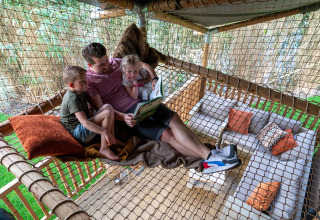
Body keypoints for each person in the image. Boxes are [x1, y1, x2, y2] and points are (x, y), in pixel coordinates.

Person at [82, 42, 241, 174]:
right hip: (128, 117)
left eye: (106, 60)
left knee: (175, 118)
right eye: (101, 64)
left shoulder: (115, 62)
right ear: (90, 65)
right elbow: (103, 110)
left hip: (144, 103)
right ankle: (211, 159)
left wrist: (154, 78)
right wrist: (124, 117)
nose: (107, 66)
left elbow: (143, 64)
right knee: (167, 134)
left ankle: (211, 157)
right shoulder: (89, 82)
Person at [60, 65, 120, 161]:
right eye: (82, 81)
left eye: (85, 79)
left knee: (108, 107)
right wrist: (104, 132)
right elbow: (84, 122)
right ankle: (104, 148)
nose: (86, 83)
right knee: (107, 113)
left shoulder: (80, 90)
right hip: (77, 132)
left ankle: (112, 139)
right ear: (71, 85)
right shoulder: (72, 98)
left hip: (83, 125)